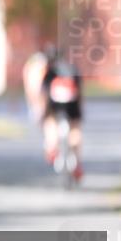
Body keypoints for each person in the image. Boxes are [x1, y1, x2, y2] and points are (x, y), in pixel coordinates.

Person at [39, 45, 84, 182]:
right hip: (72, 105)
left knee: (50, 122)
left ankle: (52, 147)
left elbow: (44, 94)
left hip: (55, 105)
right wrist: (80, 111)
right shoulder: (72, 69)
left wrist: (43, 113)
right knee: (75, 129)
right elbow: (80, 92)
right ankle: (76, 162)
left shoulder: (50, 72)